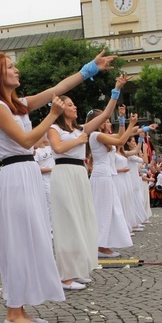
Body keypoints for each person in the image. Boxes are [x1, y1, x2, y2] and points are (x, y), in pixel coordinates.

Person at [0, 49, 116, 323]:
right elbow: (27, 139)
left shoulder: (16, 104)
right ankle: (13, 313)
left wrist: (91, 67)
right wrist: (52, 114)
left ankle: (20, 309)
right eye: (9, 67)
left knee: (31, 239)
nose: (16, 70)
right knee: (18, 242)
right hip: (16, 174)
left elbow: (58, 88)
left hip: (26, 172)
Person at [47, 74, 120, 290]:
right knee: (67, 223)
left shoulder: (82, 129)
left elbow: (106, 113)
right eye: (70, 104)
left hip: (80, 174)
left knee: (82, 220)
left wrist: (116, 89)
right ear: (61, 108)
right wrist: (78, 141)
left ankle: (77, 269)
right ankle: (64, 276)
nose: (74, 107)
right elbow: (57, 148)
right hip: (63, 172)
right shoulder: (55, 128)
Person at [89, 110, 139, 258]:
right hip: (102, 176)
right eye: (105, 120)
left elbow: (119, 136)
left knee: (110, 210)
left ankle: (104, 244)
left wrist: (123, 121)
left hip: (106, 175)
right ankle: (100, 246)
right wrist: (131, 125)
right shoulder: (95, 135)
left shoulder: (101, 136)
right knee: (104, 210)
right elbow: (121, 142)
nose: (108, 122)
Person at [34, 135, 55, 219]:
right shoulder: (36, 152)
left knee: (55, 202)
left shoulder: (49, 148)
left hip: (54, 179)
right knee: (48, 202)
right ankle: (49, 228)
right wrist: (51, 169)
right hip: (44, 180)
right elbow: (36, 169)